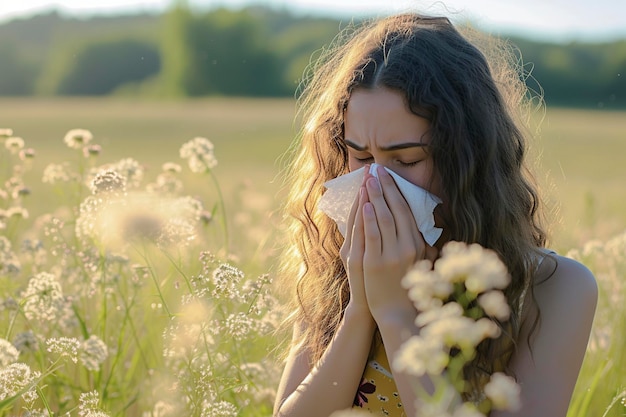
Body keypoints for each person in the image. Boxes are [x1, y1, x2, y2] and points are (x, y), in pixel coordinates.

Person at [273, 12, 597, 417]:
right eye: (361, 155)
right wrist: (361, 307)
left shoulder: (552, 289)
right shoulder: (335, 263)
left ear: (468, 158)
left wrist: (396, 316)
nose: (377, 181)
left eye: (406, 159)